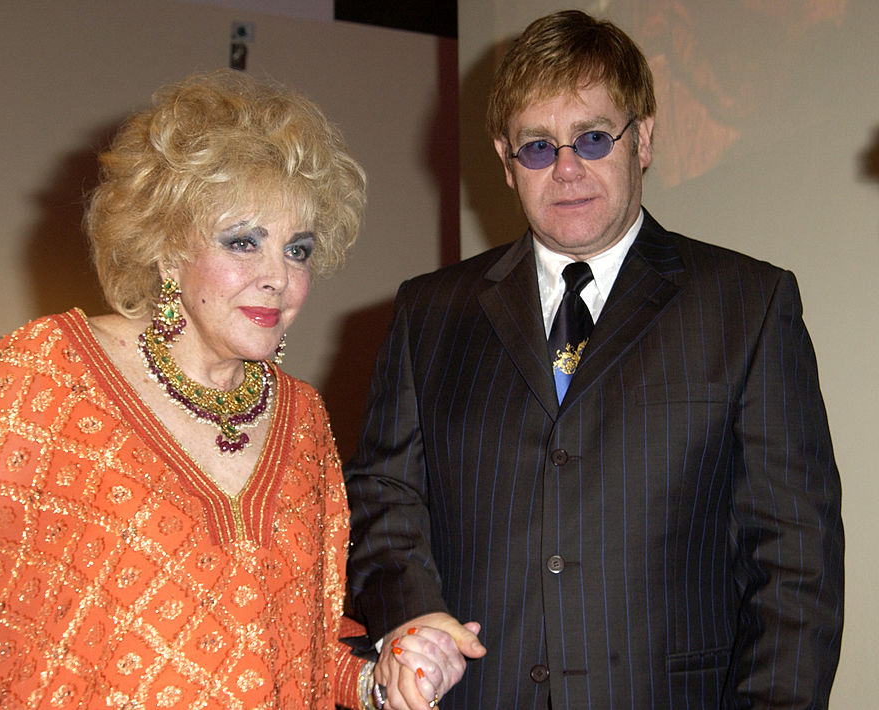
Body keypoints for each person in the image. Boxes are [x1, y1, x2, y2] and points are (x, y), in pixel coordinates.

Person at [0, 70, 463, 709]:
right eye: (243, 242)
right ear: (170, 248)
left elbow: (300, 645)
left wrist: (381, 678)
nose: (278, 278)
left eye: (298, 250)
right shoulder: (58, 367)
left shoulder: (303, 419)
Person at [344, 10, 843, 709]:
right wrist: (415, 613)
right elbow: (383, 499)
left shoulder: (748, 304)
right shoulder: (429, 313)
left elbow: (797, 564)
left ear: (643, 139)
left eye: (593, 137)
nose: (568, 168)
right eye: (538, 147)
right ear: (505, 159)